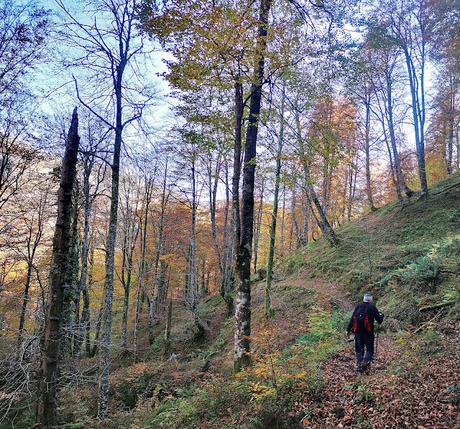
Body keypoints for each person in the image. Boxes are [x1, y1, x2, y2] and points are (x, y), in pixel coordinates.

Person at [346, 293, 384, 373]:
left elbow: (352, 318)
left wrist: (348, 329)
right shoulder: (372, 307)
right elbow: (379, 321)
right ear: (370, 300)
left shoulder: (358, 306)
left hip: (358, 332)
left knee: (359, 349)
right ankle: (365, 362)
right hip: (368, 332)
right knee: (370, 349)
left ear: (364, 299)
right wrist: (381, 315)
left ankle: (358, 366)